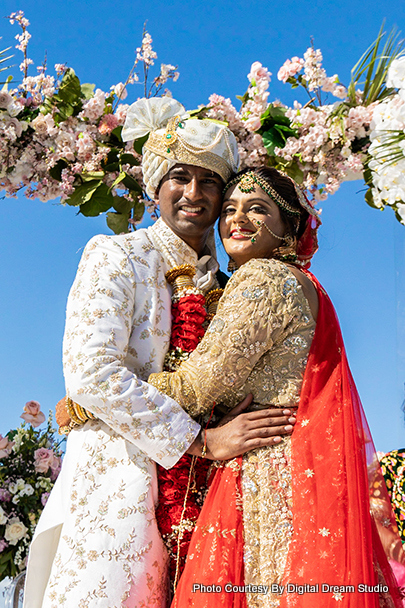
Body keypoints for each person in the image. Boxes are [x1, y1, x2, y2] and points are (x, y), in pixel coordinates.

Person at [23, 99, 295, 608]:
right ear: (155, 188)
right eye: (179, 177)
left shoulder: (229, 286)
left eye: (210, 181)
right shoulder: (115, 254)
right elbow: (91, 374)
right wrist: (200, 440)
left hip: (213, 497)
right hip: (119, 484)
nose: (194, 193)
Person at [147, 166, 405, 608]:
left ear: (289, 228)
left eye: (257, 209)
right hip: (300, 471)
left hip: (265, 475)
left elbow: (195, 388)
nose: (236, 219)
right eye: (228, 209)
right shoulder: (309, 286)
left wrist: (103, 396)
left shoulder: (263, 277)